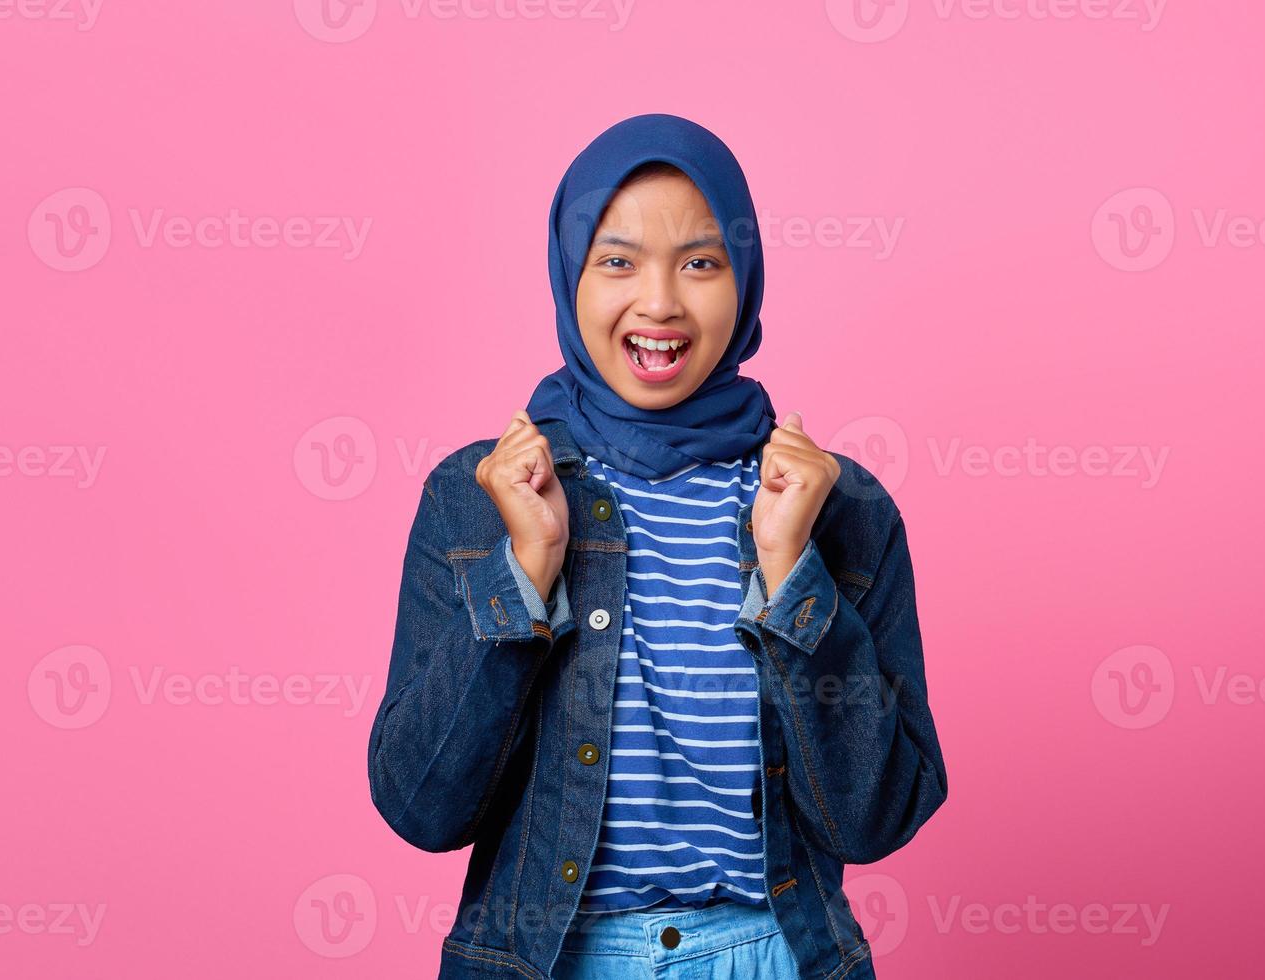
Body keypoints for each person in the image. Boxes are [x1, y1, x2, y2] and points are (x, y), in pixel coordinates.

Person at [367, 112, 948, 980]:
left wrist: (793, 576)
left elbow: (875, 818)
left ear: (744, 280)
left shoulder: (838, 506)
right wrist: (524, 574)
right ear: (568, 276)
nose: (660, 302)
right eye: (617, 260)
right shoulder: (480, 497)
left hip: (774, 956)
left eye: (700, 262)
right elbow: (421, 807)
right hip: (549, 961)